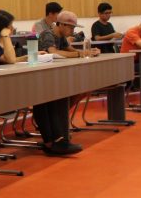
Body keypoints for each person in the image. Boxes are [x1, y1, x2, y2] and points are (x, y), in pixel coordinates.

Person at [36, 10, 100, 155]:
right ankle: (57, 138)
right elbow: (54, 53)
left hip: (54, 79)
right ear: (61, 24)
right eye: (71, 27)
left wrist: (87, 52)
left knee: (75, 93)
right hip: (42, 81)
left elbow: (69, 50)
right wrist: (80, 53)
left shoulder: (61, 36)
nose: (73, 31)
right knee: (55, 101)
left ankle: (59, 136)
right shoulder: (48, 34)